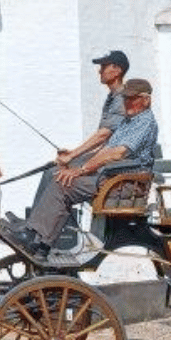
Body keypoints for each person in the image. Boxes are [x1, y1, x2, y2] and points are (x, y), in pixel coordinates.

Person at [13, 78, 159, 260]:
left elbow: (117, 154)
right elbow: (105, 150)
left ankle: (39, 240)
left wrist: (81, 170)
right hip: (111, 179)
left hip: (123, 185)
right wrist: (73, 161)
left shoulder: (145, 122)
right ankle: (36, 236)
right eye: (125, 98)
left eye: (132, 98)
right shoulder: (129, 121)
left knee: (62, 185)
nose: (126, 102)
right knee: (58, 173)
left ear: (146, 100)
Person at [21, 50, 129, 220]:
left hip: (114, 162)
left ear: (117, 71)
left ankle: (35, 227)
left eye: (103, 66)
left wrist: (73, 155)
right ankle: (33, 222)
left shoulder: (122, 97)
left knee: (55, 174)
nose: (99, 71)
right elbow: (107, 138)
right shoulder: (113, 97)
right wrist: (74, 155)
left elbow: (104, 134)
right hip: (107, 155)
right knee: (53, 169)